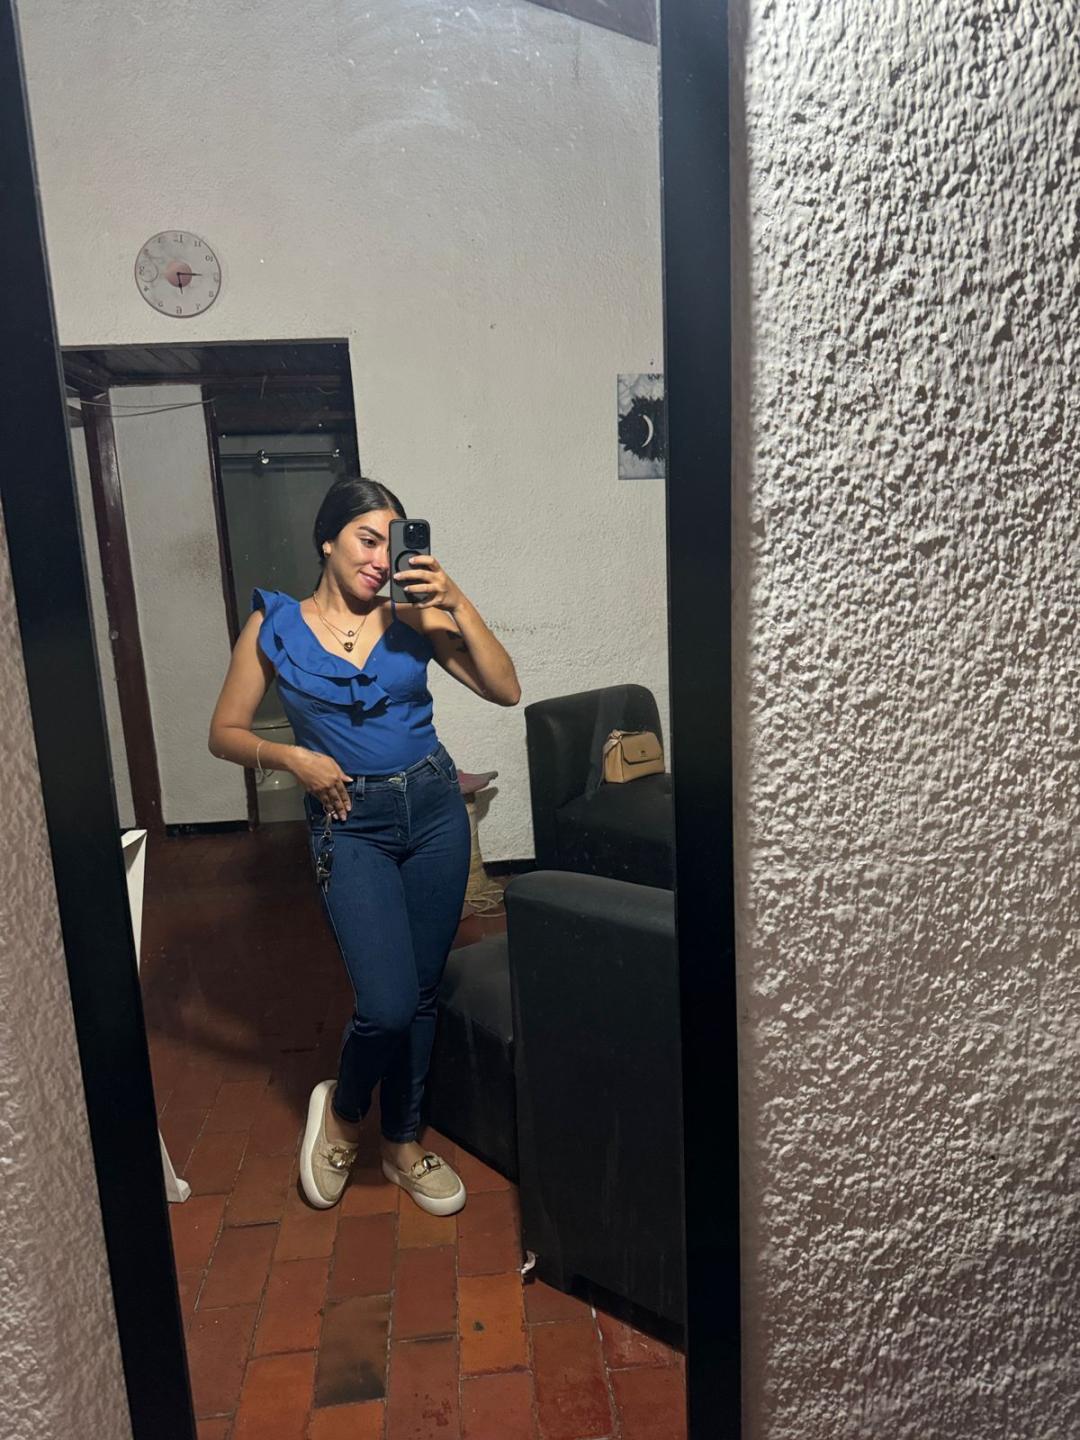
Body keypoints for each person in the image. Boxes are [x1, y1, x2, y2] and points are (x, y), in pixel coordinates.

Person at [208, 476, 521, 1213]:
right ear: (328, 539)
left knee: (422, 993)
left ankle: (403, 1142)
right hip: (349, 820)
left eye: (391, 543)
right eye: (366, 539)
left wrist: (455, 598)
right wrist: (293, 758)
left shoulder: (414, 616)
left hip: (435, 809)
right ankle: (346, 1112)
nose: (381, 559)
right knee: (385, 1003)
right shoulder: (274, 626)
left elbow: (505, 688)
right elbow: (223, 732)